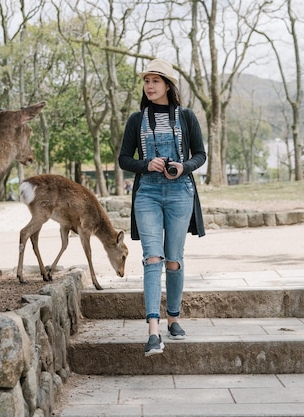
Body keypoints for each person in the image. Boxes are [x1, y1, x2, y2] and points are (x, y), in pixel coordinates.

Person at [119, 58, 206, 357]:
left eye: (156, 80)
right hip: (148, 193)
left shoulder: (186, 117)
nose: (150, 86)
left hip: (181, 192)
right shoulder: (135, 120)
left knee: (173, 259)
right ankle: (153, 332)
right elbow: (123, 159)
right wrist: (146, 164)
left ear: (168, 85)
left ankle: (174, 318)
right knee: (152, 258)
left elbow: (201, 155)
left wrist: (183, 166)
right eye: (146, 81)